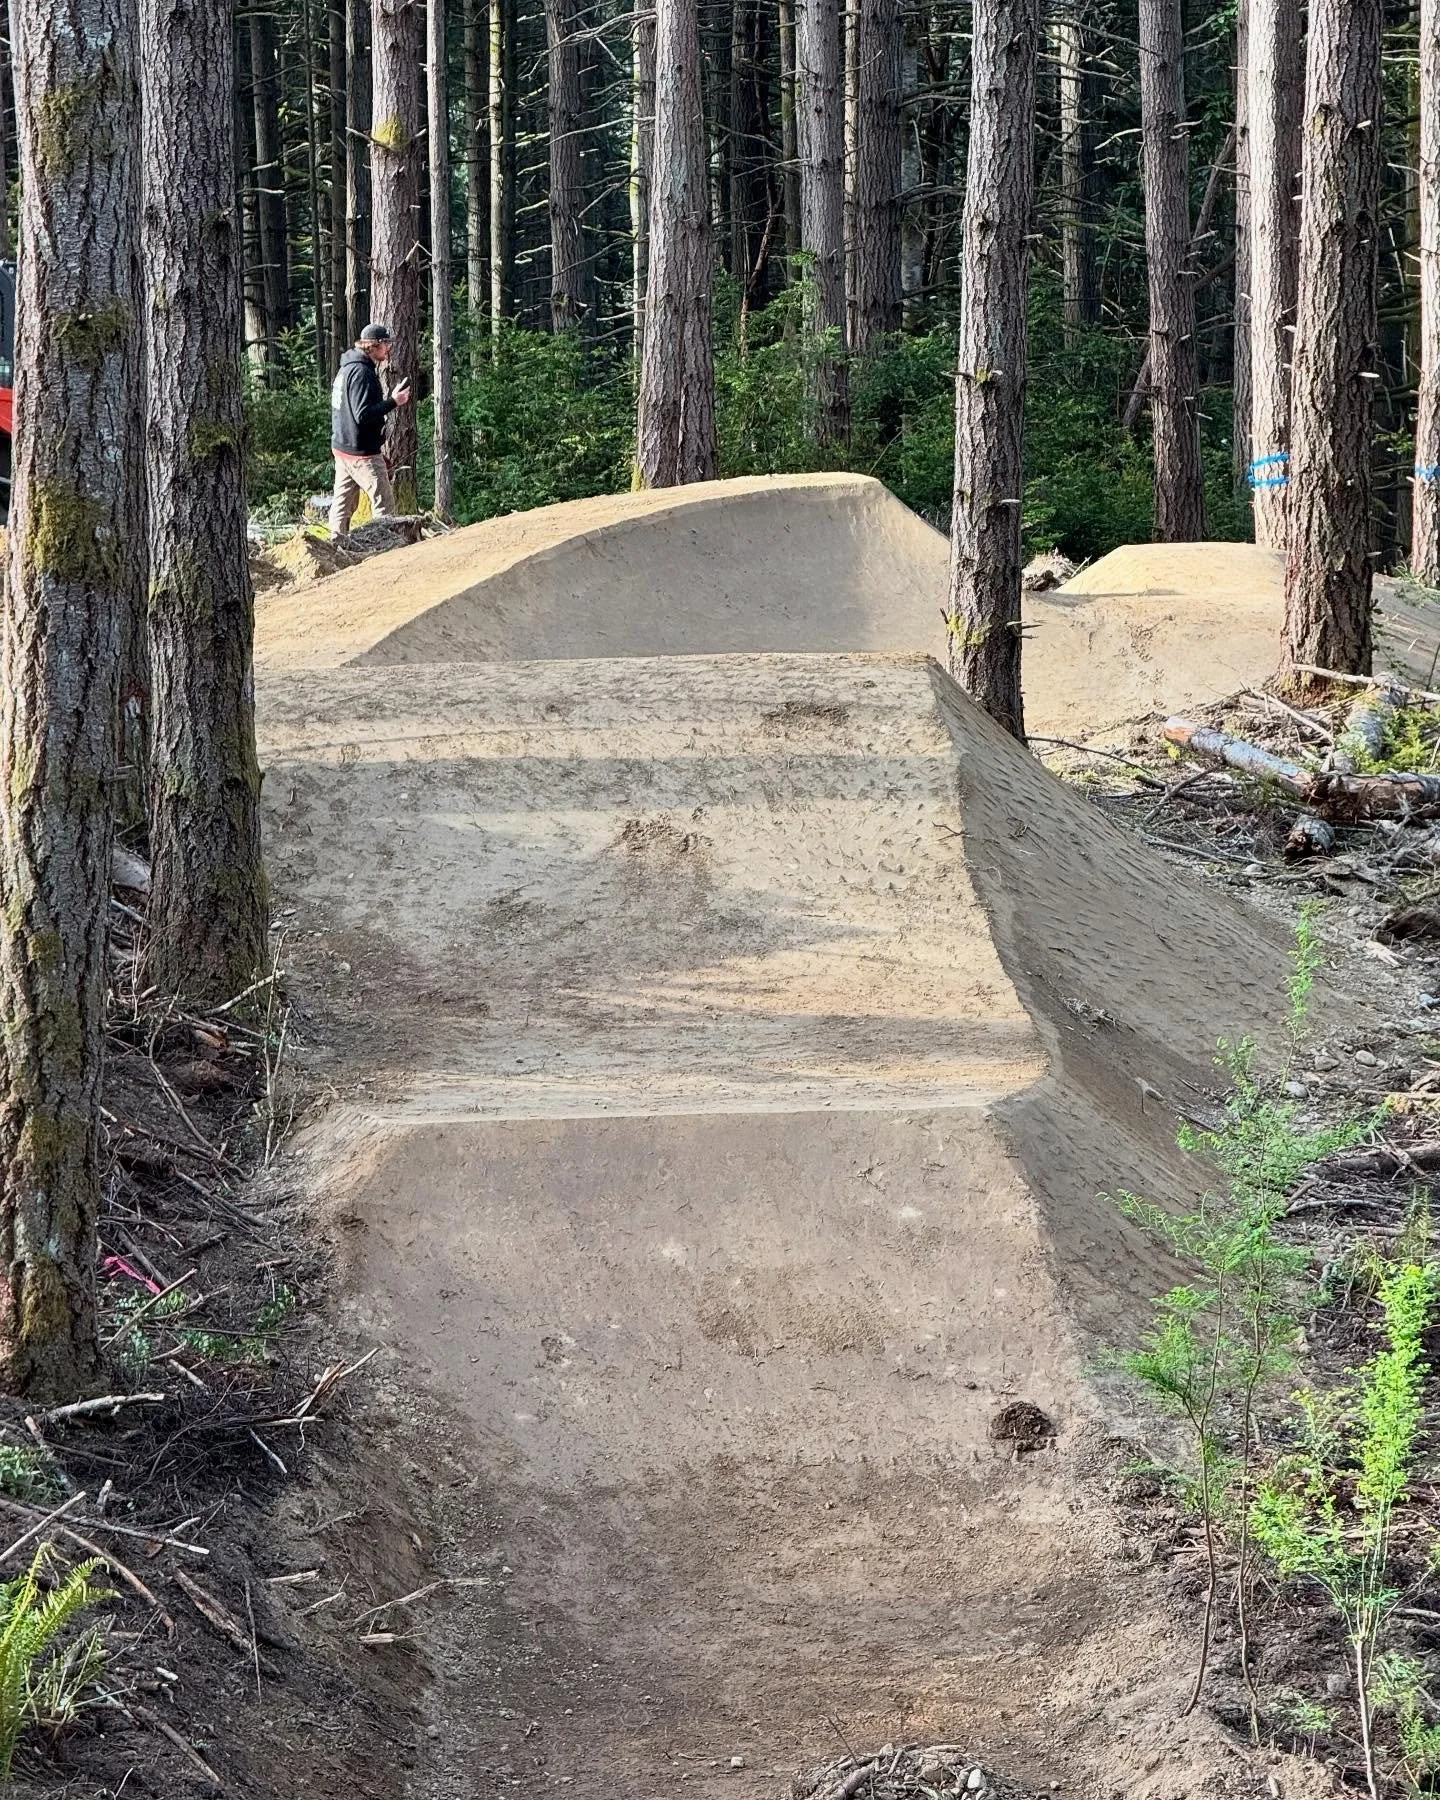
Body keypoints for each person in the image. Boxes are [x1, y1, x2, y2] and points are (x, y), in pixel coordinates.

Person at [329, 322, 412, 538]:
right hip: (361, 453)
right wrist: (394, 401)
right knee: (384, 504)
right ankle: (385, 550)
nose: (389, 349)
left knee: (343, 503)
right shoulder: (362, 373)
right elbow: (363, 414)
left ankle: (335, 546)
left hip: (343, 447)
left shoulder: (347, 368)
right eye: (386, 344)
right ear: (374, 346)